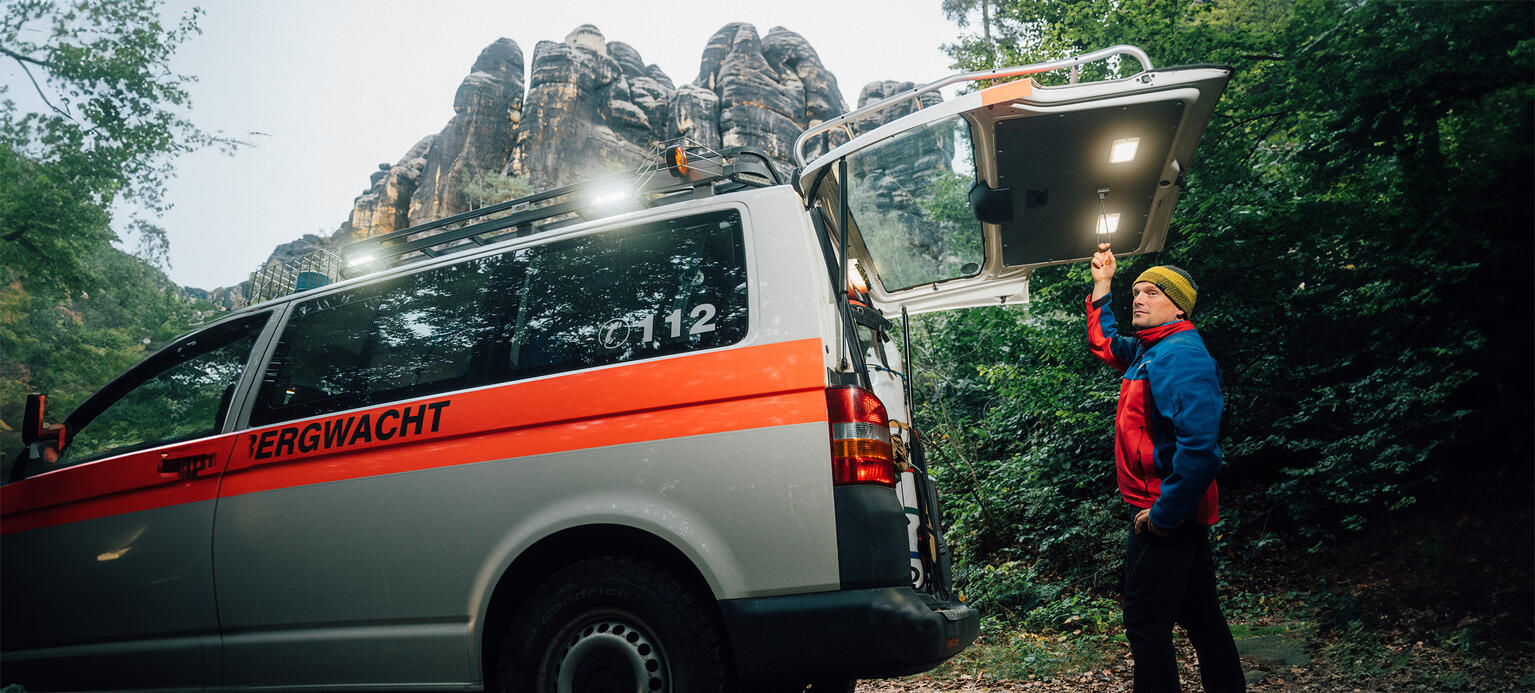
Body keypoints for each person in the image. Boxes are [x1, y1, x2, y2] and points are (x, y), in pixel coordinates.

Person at [1086, 242, 1245, 693]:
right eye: (1136, 291)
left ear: (1178, 306)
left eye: (1152, 292)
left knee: (1145, 620)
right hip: (1170, 512)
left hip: (1165, 514)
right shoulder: (1148, 349)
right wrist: (1102, 284)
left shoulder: (1182, 356)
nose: (1138, 298)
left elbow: (1201, 451)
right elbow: (1102, 341)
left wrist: (1162, 514)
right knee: (1200, 616)